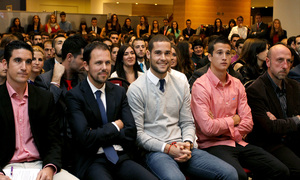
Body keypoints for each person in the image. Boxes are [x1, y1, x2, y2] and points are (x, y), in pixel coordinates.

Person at [127, 34, 238, 180]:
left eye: (167, 53)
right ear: (148, 54)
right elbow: (139, 135)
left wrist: (187, 142)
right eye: (158, 53)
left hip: (183, 145)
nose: (163, 58)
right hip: (156, 151)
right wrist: (168, 149)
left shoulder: (180, 81)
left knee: (230, 173)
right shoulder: (136, 89)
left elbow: (187, 122)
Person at [191, 36, 289, 180]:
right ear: (210, 57)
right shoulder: (200, 86)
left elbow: (248, 122)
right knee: (238, 176)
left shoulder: (237, 84)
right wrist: (233, 119)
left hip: (237, 141)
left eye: (228, 53)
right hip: (213, 145)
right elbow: (207, 128)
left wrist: (226, 126)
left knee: (280, 170)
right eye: (219, 53)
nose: (224, 57)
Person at [64, 42, 157, 180]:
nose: (104, 68)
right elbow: (84, 138)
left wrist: (96, 133)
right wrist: (115, 127)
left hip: (121, 156)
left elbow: (131, 131)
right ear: (86, 65)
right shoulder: (75, 95)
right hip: (93, 160)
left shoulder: (118, 92)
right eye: (98, 63)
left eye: (107, 63)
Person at [0, 40, 77, 180]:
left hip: (41, 165)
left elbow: (54, 140)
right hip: (6, 167)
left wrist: (50, 166)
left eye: (28, 61)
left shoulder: (44, 98)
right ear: (5, 64)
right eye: (18, 60)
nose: (24, 67)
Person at [246, 44, 300, 180]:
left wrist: (281, 122)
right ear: (268, 62)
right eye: (280, 60)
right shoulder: (255, 90)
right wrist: (297, 119)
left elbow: (276, 124)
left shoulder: (295, 86)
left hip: (292, 137)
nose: (285, 65)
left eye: (289, 61)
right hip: (269, 143)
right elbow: (269, 128)